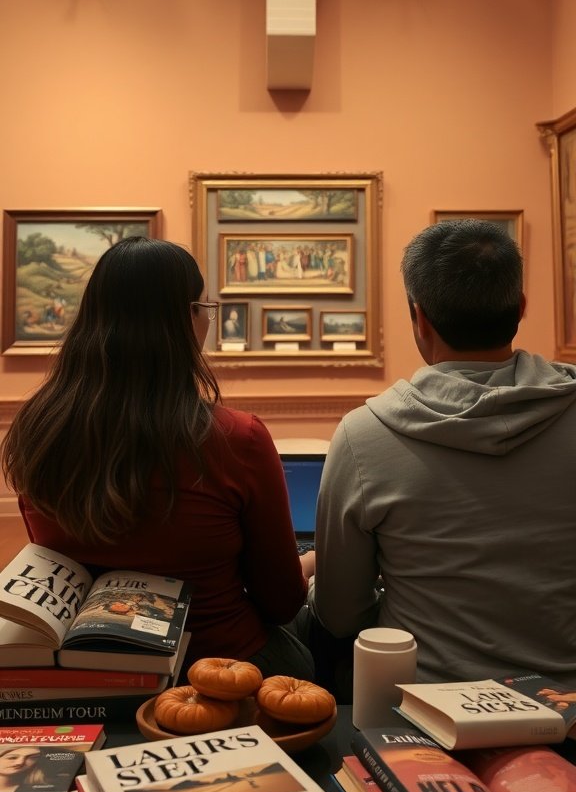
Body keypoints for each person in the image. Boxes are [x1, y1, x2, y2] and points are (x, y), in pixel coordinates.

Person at [2, 236, 314, 681]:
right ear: (187, 317)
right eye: (205, 310)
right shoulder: (237, 437)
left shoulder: (37, 429)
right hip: (222, 669)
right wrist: (310, 561)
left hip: (86, 674)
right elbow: (282, 603)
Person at [309, 218, 576, 692]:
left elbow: (339, 614)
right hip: (566, 706)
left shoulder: (364, 435)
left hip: (423, 710)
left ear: (419, 318)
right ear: (521, 308)